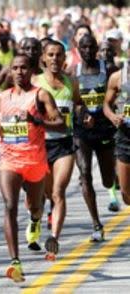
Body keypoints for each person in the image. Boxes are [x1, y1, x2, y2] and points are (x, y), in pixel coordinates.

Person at [0, 54, 64, 282]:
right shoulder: (2, 97)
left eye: (23, 68)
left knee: (35, 207)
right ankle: (15, 262)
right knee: (10, 205)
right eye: (15, 68)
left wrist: (37, 122)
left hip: (34, 162)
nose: (19, 72)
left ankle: (35, 219)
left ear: (32, 70)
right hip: (9, 160)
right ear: (10, 72)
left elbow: (61, 125)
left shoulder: (40, 95)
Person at [34, 40, 90, 259]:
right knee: (43, 195)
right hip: (39, 145)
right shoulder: (35, 82)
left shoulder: (71, 82)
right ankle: (37, 218)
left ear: (64, 58)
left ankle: (54, 238)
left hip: (64, 143)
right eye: (51, 55)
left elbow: (78, 103)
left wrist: (84, 115)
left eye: (59, 55)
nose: (55, 59)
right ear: (43, 58)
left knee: (58, 192)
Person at [73, 34, 119, 240]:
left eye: (91, 47)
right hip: (81, 132)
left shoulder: (108, 70)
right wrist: (82, 114)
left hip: (105, 129)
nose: (88, 51)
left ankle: (114, 181)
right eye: (84, 47)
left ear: (96, 48)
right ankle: (96, 224)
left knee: (108, 180)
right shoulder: (72, 72)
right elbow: (71, 101)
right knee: (84, 174)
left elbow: (118, 95)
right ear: (78, 48)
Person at [104, 60, 130, 207]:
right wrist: (113, 117)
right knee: (126, 194)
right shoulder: (117, 77)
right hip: (125, 137)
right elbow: (106, 104)